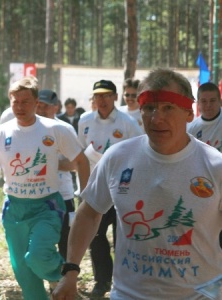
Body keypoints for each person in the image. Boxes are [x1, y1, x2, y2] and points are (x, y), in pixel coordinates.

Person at [52, 68, 222, 300]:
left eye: (168, 108)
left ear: (189, 112)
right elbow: (89, 213)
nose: (156, 118)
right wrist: (70, 271)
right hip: (129, 295)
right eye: (150, 108)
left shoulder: (215, 165)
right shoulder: (118, 157)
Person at [0, 76, 90, 300]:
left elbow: (82, 161)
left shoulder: (55, 129)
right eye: (15, 101)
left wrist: (85, 197)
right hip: (15, 209)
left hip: (46, 206)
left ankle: (67, 280)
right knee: (24, 274)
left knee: (37, 257)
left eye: (25, 101)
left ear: (36, 102)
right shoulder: (1, 134)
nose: (20, 106)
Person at [77, 79, 143, 297]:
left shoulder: (127, 123)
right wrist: (84, 187)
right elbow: (80, 155)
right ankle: (102, 281)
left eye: (106, 95)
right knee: (94, 236)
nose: (101, 100)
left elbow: (140, 154)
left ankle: (123, 283)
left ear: (115, 97)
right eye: (98, 96)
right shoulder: (85, 120)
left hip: (123, 189)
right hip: (96, 188)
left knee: (122, 238)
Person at [36, 89, 78, 262]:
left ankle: (65, 278)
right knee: (41, 240)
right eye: (38, 106)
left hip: (63, 194)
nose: (41, 110)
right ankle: (49, 276)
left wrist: (52, 163)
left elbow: (75, 164)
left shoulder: (65, 129)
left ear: (56, 107)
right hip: (38, 194)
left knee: (65, 239)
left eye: (45, 106)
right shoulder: (29, 128)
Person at [187, 82, 222, 151]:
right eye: (204, 101)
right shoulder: (191, 130)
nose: (208, 105)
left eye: (212, 101)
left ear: (220, 102)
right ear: (198, 103)